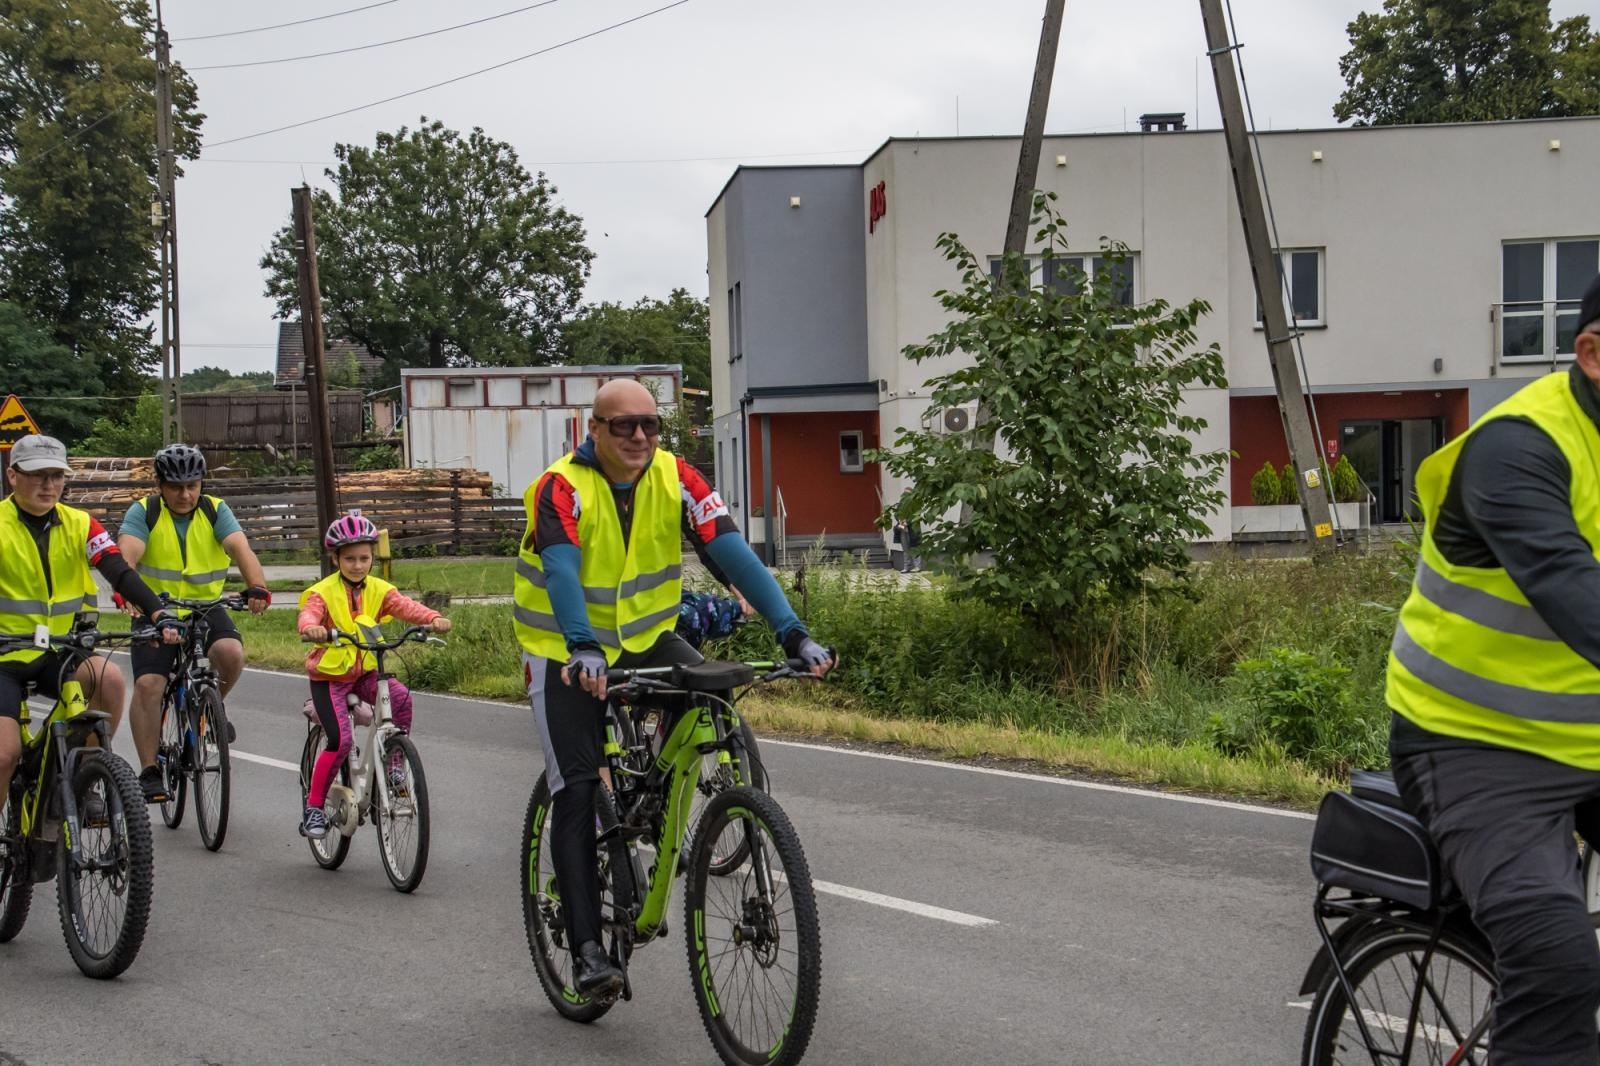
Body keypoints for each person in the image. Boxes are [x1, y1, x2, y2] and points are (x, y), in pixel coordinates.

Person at [513, 378, 834, 998]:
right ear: (594, 430)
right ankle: (586, 951)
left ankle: (654, 800)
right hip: (562, 649)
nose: (639, 436)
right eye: (624, 425)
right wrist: (581, 645)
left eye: (650, 425)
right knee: (577, 789)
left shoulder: (677, 477)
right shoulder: (559, 487)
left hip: (645, 636)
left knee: (713, 694)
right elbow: (561, 571)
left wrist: (793, 634)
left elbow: (733, 554)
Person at [1387, 273, 1600, 1064]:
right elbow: (1577, 597)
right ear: (1592, 354)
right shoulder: (1517, 452)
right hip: (1475, 746)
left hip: (1588, 737)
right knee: (1555, 956)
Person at [0, 435, 180, 811]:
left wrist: (156, 611)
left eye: (56, 475)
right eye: (37, 475)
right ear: (12, 476)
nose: (48, 485)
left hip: (62, 650)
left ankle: (84, 778)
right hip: (4, 658)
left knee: (109, 679)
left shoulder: (82, 524)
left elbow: (118, 570)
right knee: (5, 755)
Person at [116, 443, 272, 802]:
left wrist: (257, 586)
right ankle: (150, 769)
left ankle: (209, 709)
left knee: (231, 653)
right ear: (159, 485)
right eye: (175, 486)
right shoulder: (145, 512)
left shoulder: (216, 510)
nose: (185, 494)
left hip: (205, 606)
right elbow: (127, 556)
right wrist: (127, 590)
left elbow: (240, 549)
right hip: (154, 609)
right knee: (149, 685)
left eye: (193, 485)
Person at [296, 512, 451, 840]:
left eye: (364, 558)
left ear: (372, 557)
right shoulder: (323, 592)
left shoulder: (380, 589)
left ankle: (394, 765)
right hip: (329, 677)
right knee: (340, 742)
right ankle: (313, 807)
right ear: (335, 558)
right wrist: (311, 628)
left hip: (366, 670)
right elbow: (309, 613)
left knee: (401, 698)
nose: (357, 565)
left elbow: (406, 607)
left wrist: (432, 617)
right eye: (349, 558)